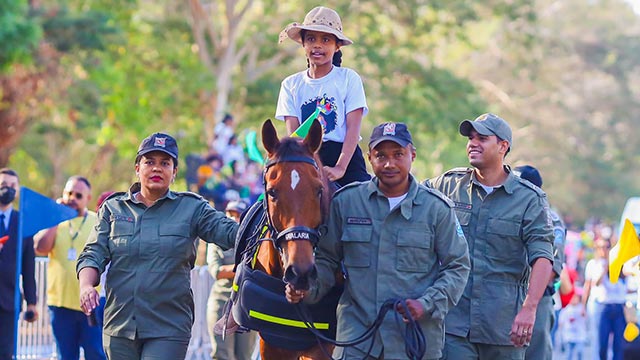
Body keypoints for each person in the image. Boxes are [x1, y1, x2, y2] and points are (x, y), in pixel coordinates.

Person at [286, 122, 471, 359]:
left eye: (398, 154)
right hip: (357, 342)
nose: (389, 163)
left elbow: (458, 266)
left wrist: (426, 303)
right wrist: (306, 288)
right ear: (369, 158)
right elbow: (326, 260)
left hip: (412, 342)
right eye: (380, 155)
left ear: (412, 155)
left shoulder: (437, 209)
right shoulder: (347, 202)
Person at [76, 132, 239, 360]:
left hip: (168, 328)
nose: (156, 168)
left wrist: (272, 212)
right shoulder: (113, 209)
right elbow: (92, 254)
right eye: (149, 162)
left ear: (174, 172)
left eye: (165, 163)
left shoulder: (192, 208)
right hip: (119, 326)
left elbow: (233, 233)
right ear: (137, 168)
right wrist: (86, 287)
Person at [424, 113, 554, 359]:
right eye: (471, 138)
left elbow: (543, 257)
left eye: (482, 138)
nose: (473, 143)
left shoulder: (529, 199)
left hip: (504, 327)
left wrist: (530, 308)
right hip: (453, 324)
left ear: (503, 146)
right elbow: (407, 197)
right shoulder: (447, 186)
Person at [276, 6, 371, 187]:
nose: (317, 45)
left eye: (326, 39)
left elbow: (353, 129)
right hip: (306, 156)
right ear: (303, 44)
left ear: (337, 46)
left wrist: (340, 168)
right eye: (311, 39)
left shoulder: (348, 79)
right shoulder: (290, 85)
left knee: (366, 205)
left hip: (345, 157)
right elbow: (295, 136)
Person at [34, 175, 106, 360]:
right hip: (60, 305)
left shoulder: (96, 221)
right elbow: (40, 247)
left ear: (88, 198)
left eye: (78, 195)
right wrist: (56, 218)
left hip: (90, 305)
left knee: (95, 354)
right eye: (69, 193)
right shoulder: (55, 221)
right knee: (65, 356)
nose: (72, 198)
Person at [515, 165, 567, 360]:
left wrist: (529, 301)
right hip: (507, 299)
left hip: (536, 301)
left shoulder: (550, 221)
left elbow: (551, 270)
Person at [206, 200, 256, 360]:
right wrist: (243, 269)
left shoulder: (254, 240)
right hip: (221, 302)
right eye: (230, 214)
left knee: (244, 356)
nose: (233, 218)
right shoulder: (216, 241)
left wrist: (234, 270)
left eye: (237, 215)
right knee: (221, 354)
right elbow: (217, 271)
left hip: (246, 305)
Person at [0, 168, 38, 360]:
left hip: (9, 300)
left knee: (6, 353)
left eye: (12, 186)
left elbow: (28, 267)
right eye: (3, 185)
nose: (8, 189)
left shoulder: (22, 223)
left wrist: (32, 302)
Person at [583, 238, 608, 359]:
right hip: (596, 302)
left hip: (608, 303)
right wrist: (583, 305)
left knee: (607, 337)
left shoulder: (613, 263)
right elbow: (589, 285)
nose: (603, 250)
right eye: (600, 247)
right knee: (595, 335)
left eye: (606, 247)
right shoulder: (592, 264)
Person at [558, 289, 587, 360]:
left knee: (579, 353)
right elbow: (561, 323)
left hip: (579, 336)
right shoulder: (566, 310)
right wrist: (561, 336)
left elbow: (585, 318)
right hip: (568, 336)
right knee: (568, 354)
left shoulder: (581, 309)